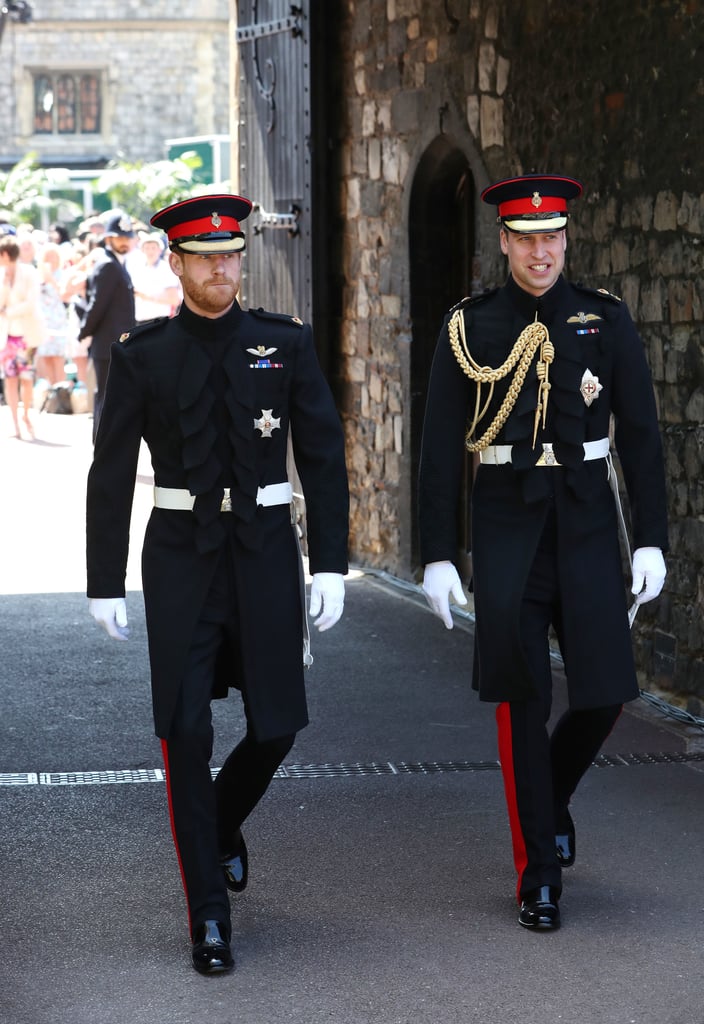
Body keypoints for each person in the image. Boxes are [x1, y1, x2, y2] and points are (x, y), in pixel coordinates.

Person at [86, 194, 349, 975]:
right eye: (207, 258)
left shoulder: (284, 344)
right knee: (186, 730)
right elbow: (109, 472)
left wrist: (331, 561)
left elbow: (324, 458)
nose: (223, 269)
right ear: (177, 262)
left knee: (277, 725)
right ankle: (208, 914)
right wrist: (103, 581)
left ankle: (221, 821)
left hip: (266, 550)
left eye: (232, 255)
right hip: (178, 558)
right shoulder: (143, 353)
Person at [418, 174, 668, 931]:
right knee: (523, 701)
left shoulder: (605, 320)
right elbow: (436, 449)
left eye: (551, 237)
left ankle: (546, 800)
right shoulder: (471, 326)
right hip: (507, 529)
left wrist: (653, 538)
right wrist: (437, 553)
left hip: (589, 523)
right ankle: (539, 873)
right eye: (525, 239)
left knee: (605, 692)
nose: (540, 252)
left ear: (566, 240)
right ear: (503, 242)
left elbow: (645, 437)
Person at [77, 210, 136, 440]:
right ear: (109, 238)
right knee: (106, 397)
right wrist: (83, 333)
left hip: (114, 343)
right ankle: (102, 450)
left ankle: (105, 449)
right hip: (107, 345)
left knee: (111, 397)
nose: (124, 241)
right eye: (119, 237)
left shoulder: (115, 263)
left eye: (126, 237)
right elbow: (97, 305)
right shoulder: (108, 265)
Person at [0, 230, 45, 439]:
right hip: (7, 335)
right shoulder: (1, 275)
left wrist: (8, 311)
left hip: (26, 335)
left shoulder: (29, 272)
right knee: (10, 379)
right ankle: (15, 422)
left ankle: (26, 414)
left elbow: (31, 302)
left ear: (6, 254)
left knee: (26, 378)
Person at [128, 230, 181, 322]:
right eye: (147, 248)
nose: (150, 251)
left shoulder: (166, 269)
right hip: (139, 320)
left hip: (160, 320)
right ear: (142, 250)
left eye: (153, 248)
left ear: (160, 250)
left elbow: (174, 300)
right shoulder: (137, 269)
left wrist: (147, 297)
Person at [36, 241, 70, 384]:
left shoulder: (63, 274)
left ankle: (61, 389)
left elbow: (64, 296)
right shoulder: (38, 276)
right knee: (46, 357)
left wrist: (51, 280)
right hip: (43, 320)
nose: (50, 259)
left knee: (58, 357)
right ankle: (51, 389)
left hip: (58, 320)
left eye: (53, 256)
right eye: (47, 257)